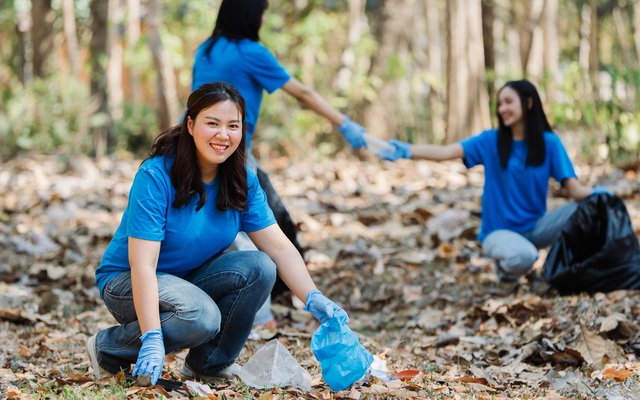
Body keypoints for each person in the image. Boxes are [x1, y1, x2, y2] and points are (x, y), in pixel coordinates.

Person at [86, 82, 352, 385]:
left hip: (190, 279)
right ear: (190, 124)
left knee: (260, 266)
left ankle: (209, 364)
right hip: (128, 282)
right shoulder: (156, 176)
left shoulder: (241, 180)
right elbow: (143, 266)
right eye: (212, 123)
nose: (223, 135)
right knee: (201, 316)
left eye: (232, 126)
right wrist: (151, 336)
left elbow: (279, 248)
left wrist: (314, 298)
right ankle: (108, 349)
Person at [190, 0, 369, 325]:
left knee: (275, 219)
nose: (262, 18)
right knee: (258, 229)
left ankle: (289, 295)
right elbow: (301, 92)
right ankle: (262, 312)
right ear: (249, 15)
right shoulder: (251, 52)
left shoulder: (207, 49)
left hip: (197, 145)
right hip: (231, 152)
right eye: (261, 12)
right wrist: (343, 123)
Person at [382, 79, 602, 282]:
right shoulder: (491, 140)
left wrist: (603, 195)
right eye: (499, 103)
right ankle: (506, 272)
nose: (502, 109)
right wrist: (404, 150)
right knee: (525, 256)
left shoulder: (549, 143)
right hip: (497, 234)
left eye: (508, 102)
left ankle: (578, 269)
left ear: (528, 103)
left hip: (536, 228)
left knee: (590, 208)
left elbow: (575, 190)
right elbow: (445, 151)